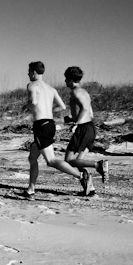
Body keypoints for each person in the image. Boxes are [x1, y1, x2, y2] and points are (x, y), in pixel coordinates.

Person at [23, 61, 85, 197]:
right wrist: (46, 109)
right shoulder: (51, 89)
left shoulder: (31, 85)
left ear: (33, 72)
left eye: (28, 71)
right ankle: (31, 189)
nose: (27, 74)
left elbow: (33, 101)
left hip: (41, 126)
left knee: (51, 161)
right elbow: (62, 107)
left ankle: (82, 176)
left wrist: (26, 106)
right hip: (50, 124)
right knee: (33, 157)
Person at [63, 66, 109, 195]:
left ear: (71, 79)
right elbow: (91, 113)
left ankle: (98, 165)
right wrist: (72, 119)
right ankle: (90, 189)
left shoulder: (76, 92)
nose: (65, 81)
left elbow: (84, 109)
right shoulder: (84, 92)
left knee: (68, 160)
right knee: (79, 162)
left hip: (83, 128)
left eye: (66, 78)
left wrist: (76, 124)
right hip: (90, 127)